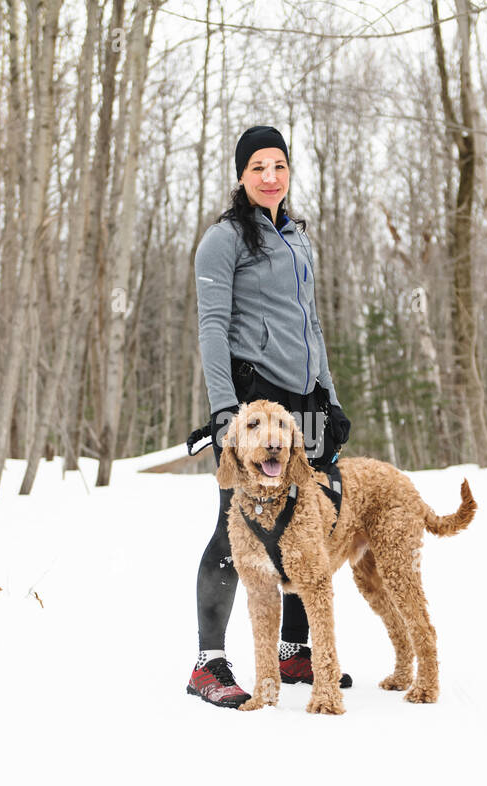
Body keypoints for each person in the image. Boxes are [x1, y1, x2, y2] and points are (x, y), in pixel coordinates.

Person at [187, 125, 353, 708]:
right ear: (240, 175)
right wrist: (222, 410)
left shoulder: (299, 240)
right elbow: (211, 326)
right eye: (257, 165)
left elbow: (313, 327)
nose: (269, 176)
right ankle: (210, 663)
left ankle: (293, 652)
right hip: (252, 397)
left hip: (303, 402)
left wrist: (328, 398)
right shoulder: (224, 239)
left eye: (278, 164)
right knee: (236, 527)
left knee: (306, 521)